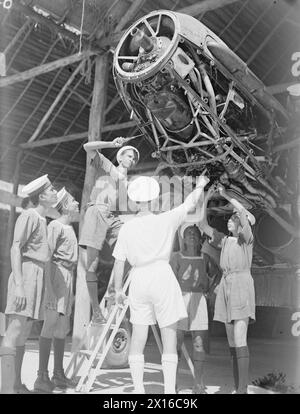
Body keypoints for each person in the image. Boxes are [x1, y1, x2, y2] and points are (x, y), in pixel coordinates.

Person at [113, 174, 209, 394]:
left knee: (139, 335)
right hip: (162, 275)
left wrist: (119, 290)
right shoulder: (166, 219)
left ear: (135, 202)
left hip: (138, 278)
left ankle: (138, 390)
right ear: (154, 200)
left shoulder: (127, 227)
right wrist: (202, 184)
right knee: (169, 335)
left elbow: (119, 261)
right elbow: (189, 203)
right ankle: (168, 392)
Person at [0, 175, 57, 394]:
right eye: (51, 190)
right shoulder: (29, 216)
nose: (54, 193)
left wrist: (48, 290)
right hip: (25, 274)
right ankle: (5, 389)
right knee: (13, 332)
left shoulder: (43, 220)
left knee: (23, 334)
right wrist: (19, 284)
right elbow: (16, 248)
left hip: (38, 275)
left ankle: (15, 384)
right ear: (41, 196)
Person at [199, 183, 256, 394]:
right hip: (226, 287)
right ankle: (236, 386)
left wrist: (224, 194)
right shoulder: (225, 241)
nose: (231, 219)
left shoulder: (246, 240)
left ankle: (242, 390)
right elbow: (202, 224)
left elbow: (241, 212)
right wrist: (206, 196)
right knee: (232, 342)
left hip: (241, 285)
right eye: (230, 218)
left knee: (240, 339)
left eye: (234, 218)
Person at [79, 137, 139, 323]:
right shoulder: (106, 165)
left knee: (131, 249)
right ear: (120, 157)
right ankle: (96, 311)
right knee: (92, 264)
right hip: (96, 211)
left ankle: (114, 292)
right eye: (129, 156)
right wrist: (112, 144)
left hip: (113, 218)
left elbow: (134, 207)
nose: (132, 160)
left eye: (134, 158)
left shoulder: (129, 184)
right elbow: (87, 147)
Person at [34, 188, 79, 393]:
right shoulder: (55, 226)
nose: (77, 203)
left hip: (68, 277)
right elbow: (47, 258)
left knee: (62, 328)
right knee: (50, 324)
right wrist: (50, 290)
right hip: (56, 274)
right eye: (73, 201)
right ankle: (41, 377)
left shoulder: (70, 228)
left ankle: (58, 374)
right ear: (65, 206)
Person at [170, 223, 210, 394]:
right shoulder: (176, 257)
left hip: (199, 300)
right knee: (176, 344)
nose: (192, 236)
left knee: (199, 344)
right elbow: (169, 281)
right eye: (188, 233)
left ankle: (198, 384)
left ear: (200, 239)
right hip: (180, 300)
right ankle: (173, 383)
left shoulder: (204, 258)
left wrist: (207, 291)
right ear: (183, 239)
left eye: (195, 233)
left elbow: (215, 275)